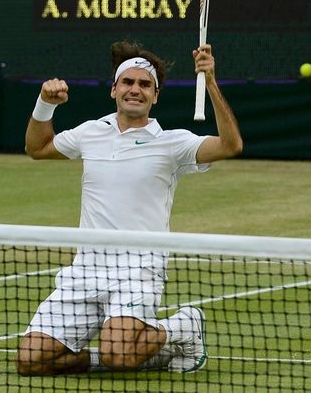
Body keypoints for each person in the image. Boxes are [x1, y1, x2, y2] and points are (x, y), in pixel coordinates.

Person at [16, 40, 243, 376]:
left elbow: (230, 145)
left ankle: (183, 327)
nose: (135, 90)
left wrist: (209, 82)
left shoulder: (172, 143)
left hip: (137, 272)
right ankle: (107, 357)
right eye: (128, 82)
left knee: (120, 355)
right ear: (114, 90)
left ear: (155, 96)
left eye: (144, 85)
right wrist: (44, 105)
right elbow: (37, 148)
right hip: (84, 272)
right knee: (30, 361)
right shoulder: (90, 133)